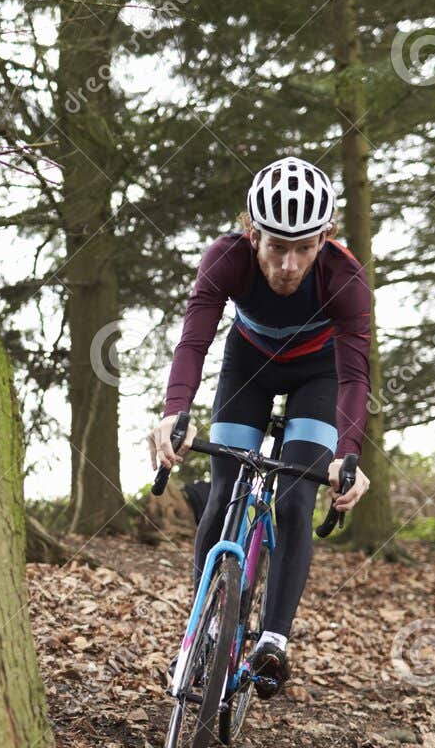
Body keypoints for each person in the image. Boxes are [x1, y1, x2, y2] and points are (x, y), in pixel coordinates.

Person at [147, 156, 372, 698]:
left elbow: (355, 374)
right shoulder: (224, 259)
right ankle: (207, 626)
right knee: (226, 491)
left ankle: (273, 639)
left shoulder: (346, 279)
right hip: (248, 365)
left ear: (327, 237)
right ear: (252, 235)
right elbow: (194, 341)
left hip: (318, 376)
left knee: (296, 498)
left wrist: (347, 454)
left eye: (304, 248)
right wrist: (174, 411)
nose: (290, 264)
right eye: (276, 247)